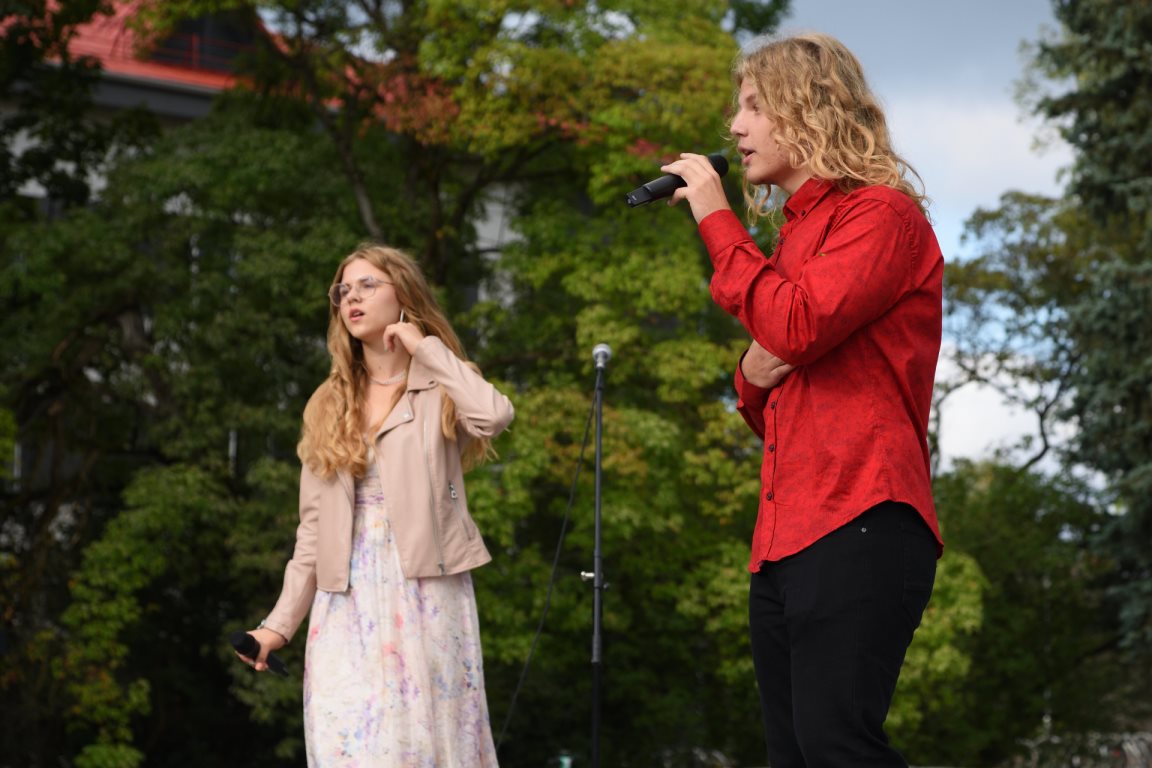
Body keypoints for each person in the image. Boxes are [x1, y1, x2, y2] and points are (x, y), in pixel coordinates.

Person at [661, 32, 945, 767]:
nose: (735, 126)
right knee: (794, 755)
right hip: (783, 537)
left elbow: (792, 327)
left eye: (754, 106)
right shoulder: (790, 241)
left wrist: (716, 217)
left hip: (862, 514)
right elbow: (765, 394)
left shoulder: (881, 217)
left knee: (836, 746)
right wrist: (754, 373)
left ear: (808, 108)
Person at [235, 243, 514, 767]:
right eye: (343, 290)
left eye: (367, 285)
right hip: (345, 597)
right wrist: (277, 625)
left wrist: (426, 348)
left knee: (425, 747)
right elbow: (312, 530)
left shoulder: (442, 383)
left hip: (426, 589)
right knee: (349, 743)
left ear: (403, 295)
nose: (351, 298)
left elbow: (494, 416)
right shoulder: (327, 402)